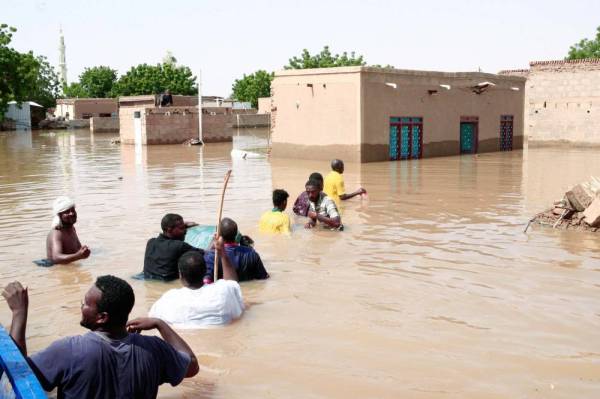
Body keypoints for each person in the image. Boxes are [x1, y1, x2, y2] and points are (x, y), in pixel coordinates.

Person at [1, 276, 199, 398]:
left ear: (102, 318)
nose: (81, 306)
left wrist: (19, 314)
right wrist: (159, 323)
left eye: (86, 303)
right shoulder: (154, 349)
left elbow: (17, 379)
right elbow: (191, 366)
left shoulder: (69, 350)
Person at [149, 237, 244, 328]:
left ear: (180, 275)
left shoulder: (168, 299)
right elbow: (233, 284)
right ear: (205, 271)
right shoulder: (223, 291)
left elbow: (152, 317)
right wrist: (222, 252)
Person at [204, 218, 269, 283]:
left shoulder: (211, 256)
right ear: (236, 234)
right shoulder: (252, 253)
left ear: (218, 235)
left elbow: (206, 282)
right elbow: (264, 278)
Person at [143, 213, 201, 281]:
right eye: (181, 228)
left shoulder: (151, 242)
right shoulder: (179, 246)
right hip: (168, 283)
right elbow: (205, 254)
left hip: (147, 280)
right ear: (169, 230)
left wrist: (183, 226)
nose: (185, 231)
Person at [46, 196, 90, 264]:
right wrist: (78, 256)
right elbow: (56, 258)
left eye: (73, 210)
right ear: (59, 215)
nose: (71, 213)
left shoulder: (72, 228)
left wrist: (84, 251)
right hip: (58, 270)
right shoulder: (56, 233)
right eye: (67, 212)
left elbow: (78, 249)